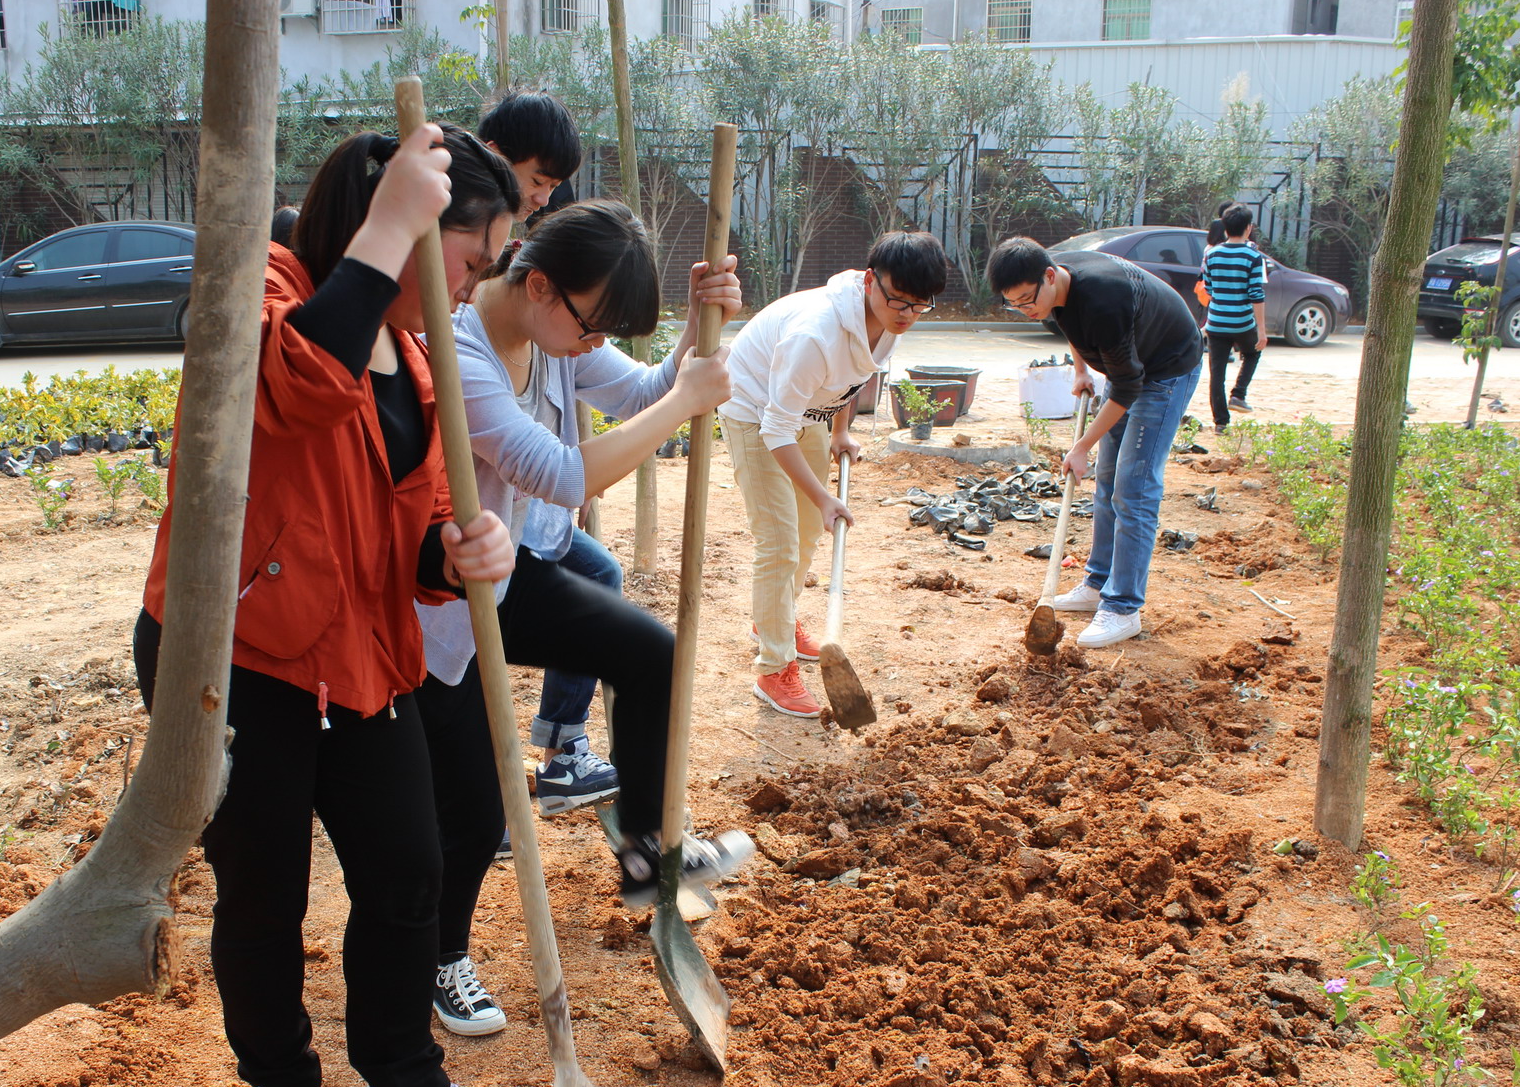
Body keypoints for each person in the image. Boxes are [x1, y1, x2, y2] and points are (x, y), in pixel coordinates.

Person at [132, 125, 530, 1087]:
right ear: (394, 223)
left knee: (409, 868)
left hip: (359, 653)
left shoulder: (416, 345)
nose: (468, 288)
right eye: (468, 258)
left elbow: (425, 521)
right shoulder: (256, 288)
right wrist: (395, 225)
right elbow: (300, 381)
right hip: (238, 656)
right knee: (264, 892)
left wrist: (461, 551)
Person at [415, 199, 753, 1037]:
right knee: (476, 812)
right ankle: (439, 956)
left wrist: (693, 335)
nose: (596, 344)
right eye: (593, 325)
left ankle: (643, 851)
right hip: (439, 599)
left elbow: (644, 388)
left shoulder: (554, 335)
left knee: (651, 655)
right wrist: (685, 403)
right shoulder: (457, 346)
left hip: (510, 568)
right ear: (539, 287)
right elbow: (559, 474)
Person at [720, 232, 947, 717]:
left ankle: (772, 620)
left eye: (920, 305)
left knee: (804, 536)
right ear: (871, 282)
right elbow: (775, 429)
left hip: (810, 414)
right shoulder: (814, 335)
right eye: (898, 300)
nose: (907, 313)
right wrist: (824, 496)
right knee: (779, 540)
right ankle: (773, 668)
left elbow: (853, 377)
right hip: (755, 411)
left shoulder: (888, 321)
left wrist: (840, 431)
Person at [474, 89, 619, 806]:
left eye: (553, 188)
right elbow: (553, 468)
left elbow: (625, 388)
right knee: (473, 650)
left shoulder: (542, 292)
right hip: (473, 526)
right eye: (538, 180)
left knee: (600, 579)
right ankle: (485, 794)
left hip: (528, 518)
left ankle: (561, 749)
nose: (542, 199)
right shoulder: (473, 280)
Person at [986, 236, 1203, 649]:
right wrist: (1080, 369)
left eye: (1028, 300)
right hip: (1130, 367)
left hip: (1165, 368)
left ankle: (1123, 608)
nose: (1026, 310)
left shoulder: (1104, 302)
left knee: (1134, 490)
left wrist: (1081, 446)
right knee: (1108, 480)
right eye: (1014, 304)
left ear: (1050, 276)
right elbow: (1067, 319)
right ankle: (1098, 583)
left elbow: (1126, 387)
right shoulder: (1051, 286)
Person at [1201, 203, 1268, 427]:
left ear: (1225, 227)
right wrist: (1262, 330)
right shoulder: (1253, 256)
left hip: (1216, 322)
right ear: (1248, 228)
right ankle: (1238, 394)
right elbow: (1256, 294)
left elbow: (1208, 289)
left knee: (1216, 372)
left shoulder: (1212, 254)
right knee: (1252, 354)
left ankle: (1221, 422)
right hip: (1242, 322)